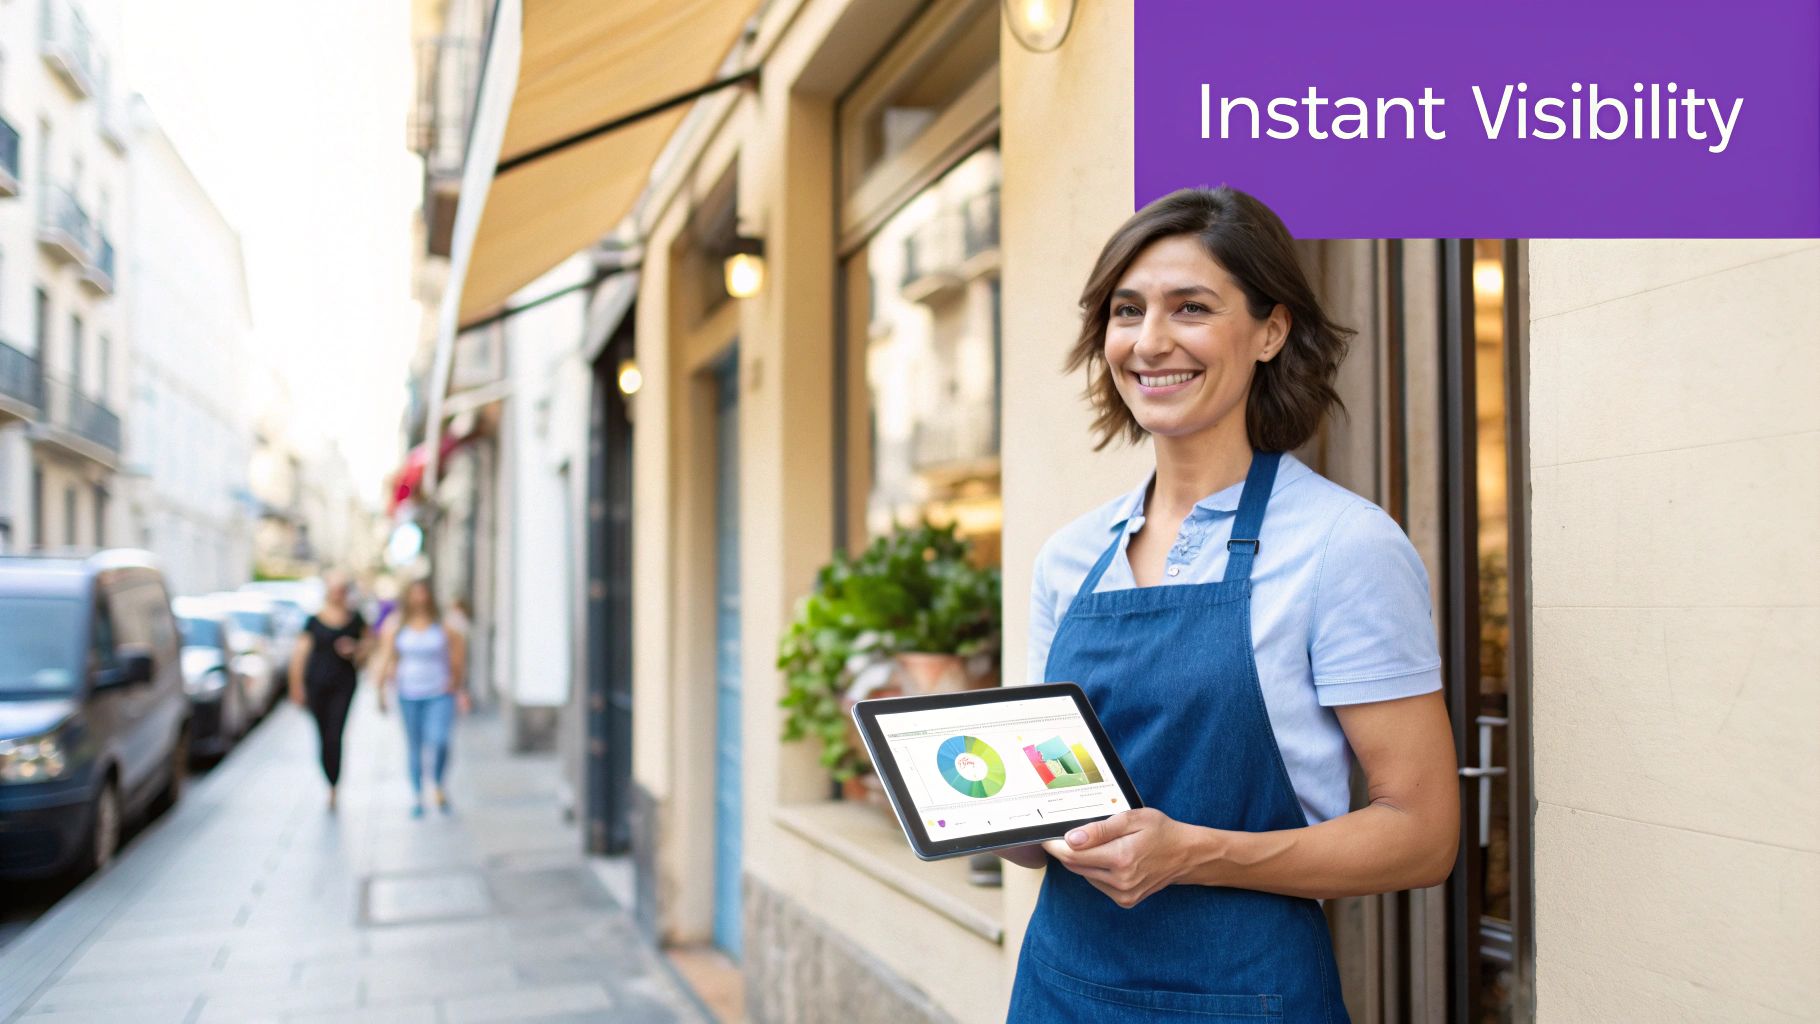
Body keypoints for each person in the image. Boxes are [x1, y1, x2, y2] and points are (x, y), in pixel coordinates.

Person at [1003, 187, 1458, 1022]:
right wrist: (976, 808)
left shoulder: (1340, 547)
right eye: (1127, 310)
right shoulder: (1070, 557)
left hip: (1246, 997)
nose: (1150, 342)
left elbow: (1423, 834)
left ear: (1271, 331)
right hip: (1060, 990)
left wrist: (1192, 854)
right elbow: (1047, 824)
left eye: (1192, 308)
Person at [376, 579, 469, 818]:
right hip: (408, 692)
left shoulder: (444, 624)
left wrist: (457, 683)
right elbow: (386, 657)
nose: (419, 599)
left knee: (439, 740)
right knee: (414, 745)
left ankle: (437, 783)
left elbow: (459, 654)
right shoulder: (397, 624)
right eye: (415, 594)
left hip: (439, 691)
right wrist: (380, 690)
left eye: (423, 594)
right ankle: (417, 793)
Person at [288, 572, 372, 812]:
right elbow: (300, 655)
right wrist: (296, 686)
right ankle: (329, 777)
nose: (338, 594)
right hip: (316, 684)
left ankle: (334, 785)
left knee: (335, 734)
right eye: (334, 589)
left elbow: (369, 649)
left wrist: (355, 650)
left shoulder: (356, 619)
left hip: (343, 684)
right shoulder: (313, 621)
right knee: (323, 734)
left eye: (341, 589)